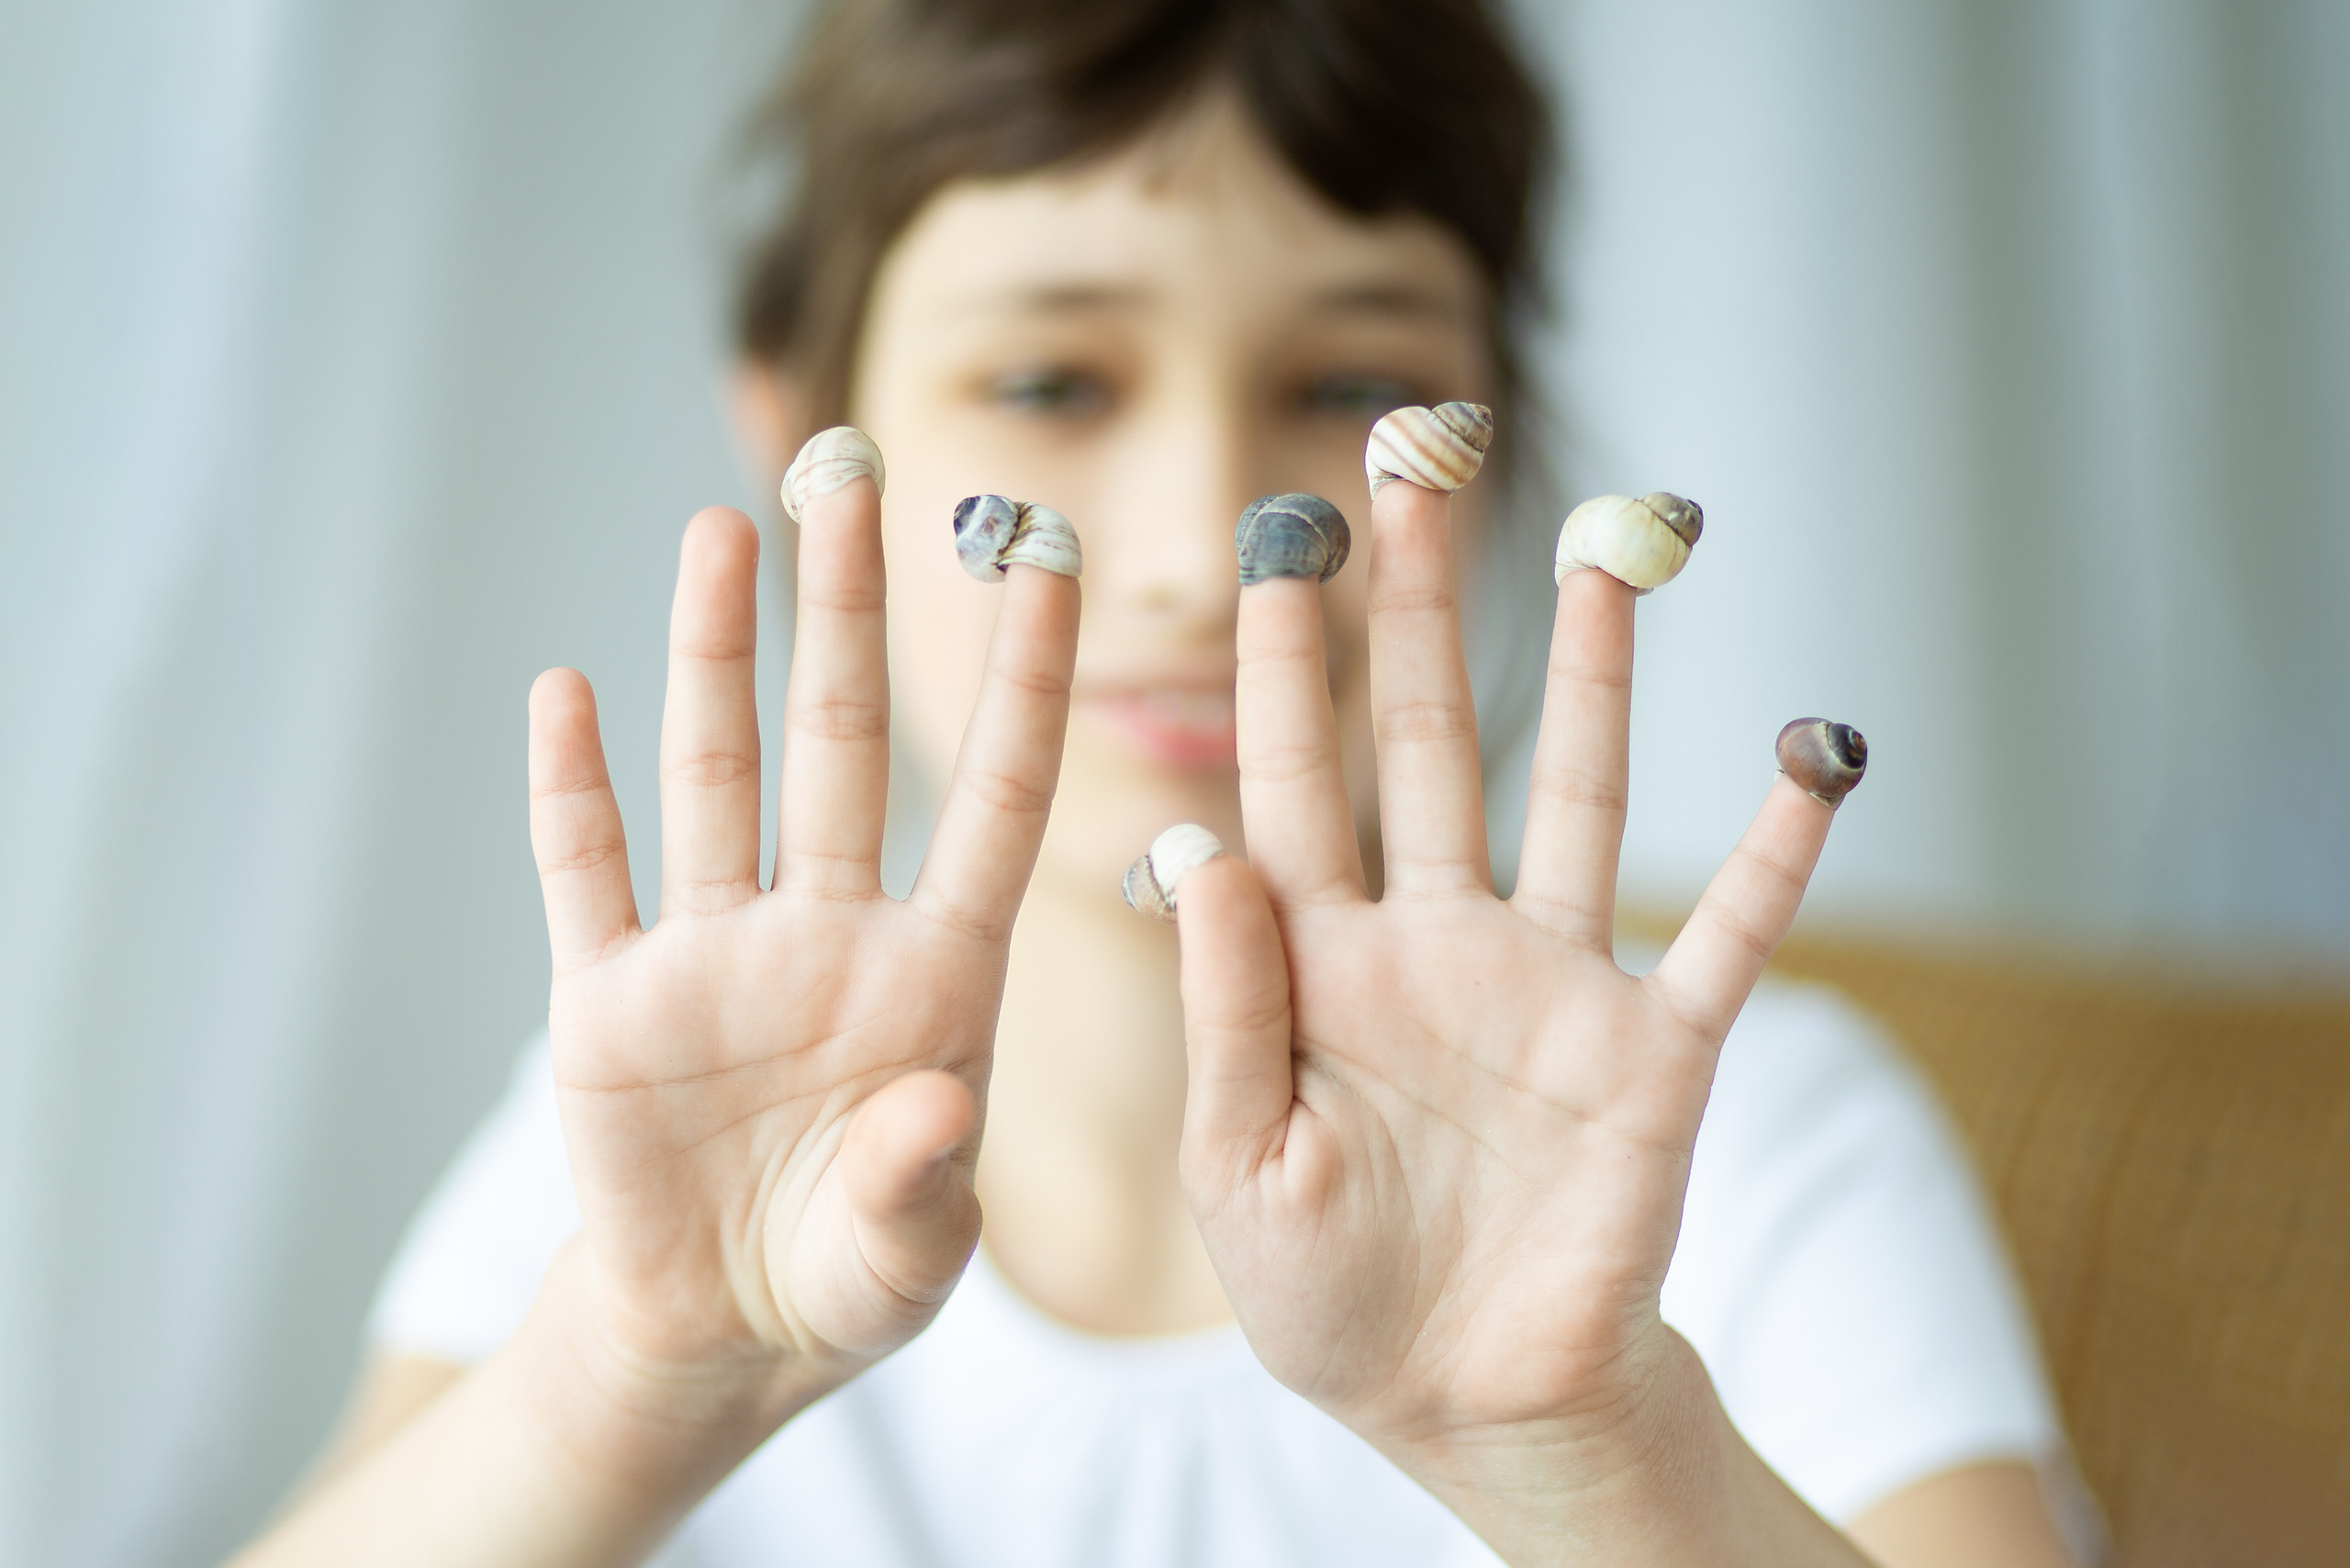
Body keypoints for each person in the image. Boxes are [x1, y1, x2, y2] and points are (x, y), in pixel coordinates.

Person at [234, 1, 2088, 1563]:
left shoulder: (1754, 1153)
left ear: (1496, 453)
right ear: (802, 438)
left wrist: (1576, 1431)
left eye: (1348, 377)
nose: (1208, 545)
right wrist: (629, 1378)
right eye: (1049, 381)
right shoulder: (649, 1152)